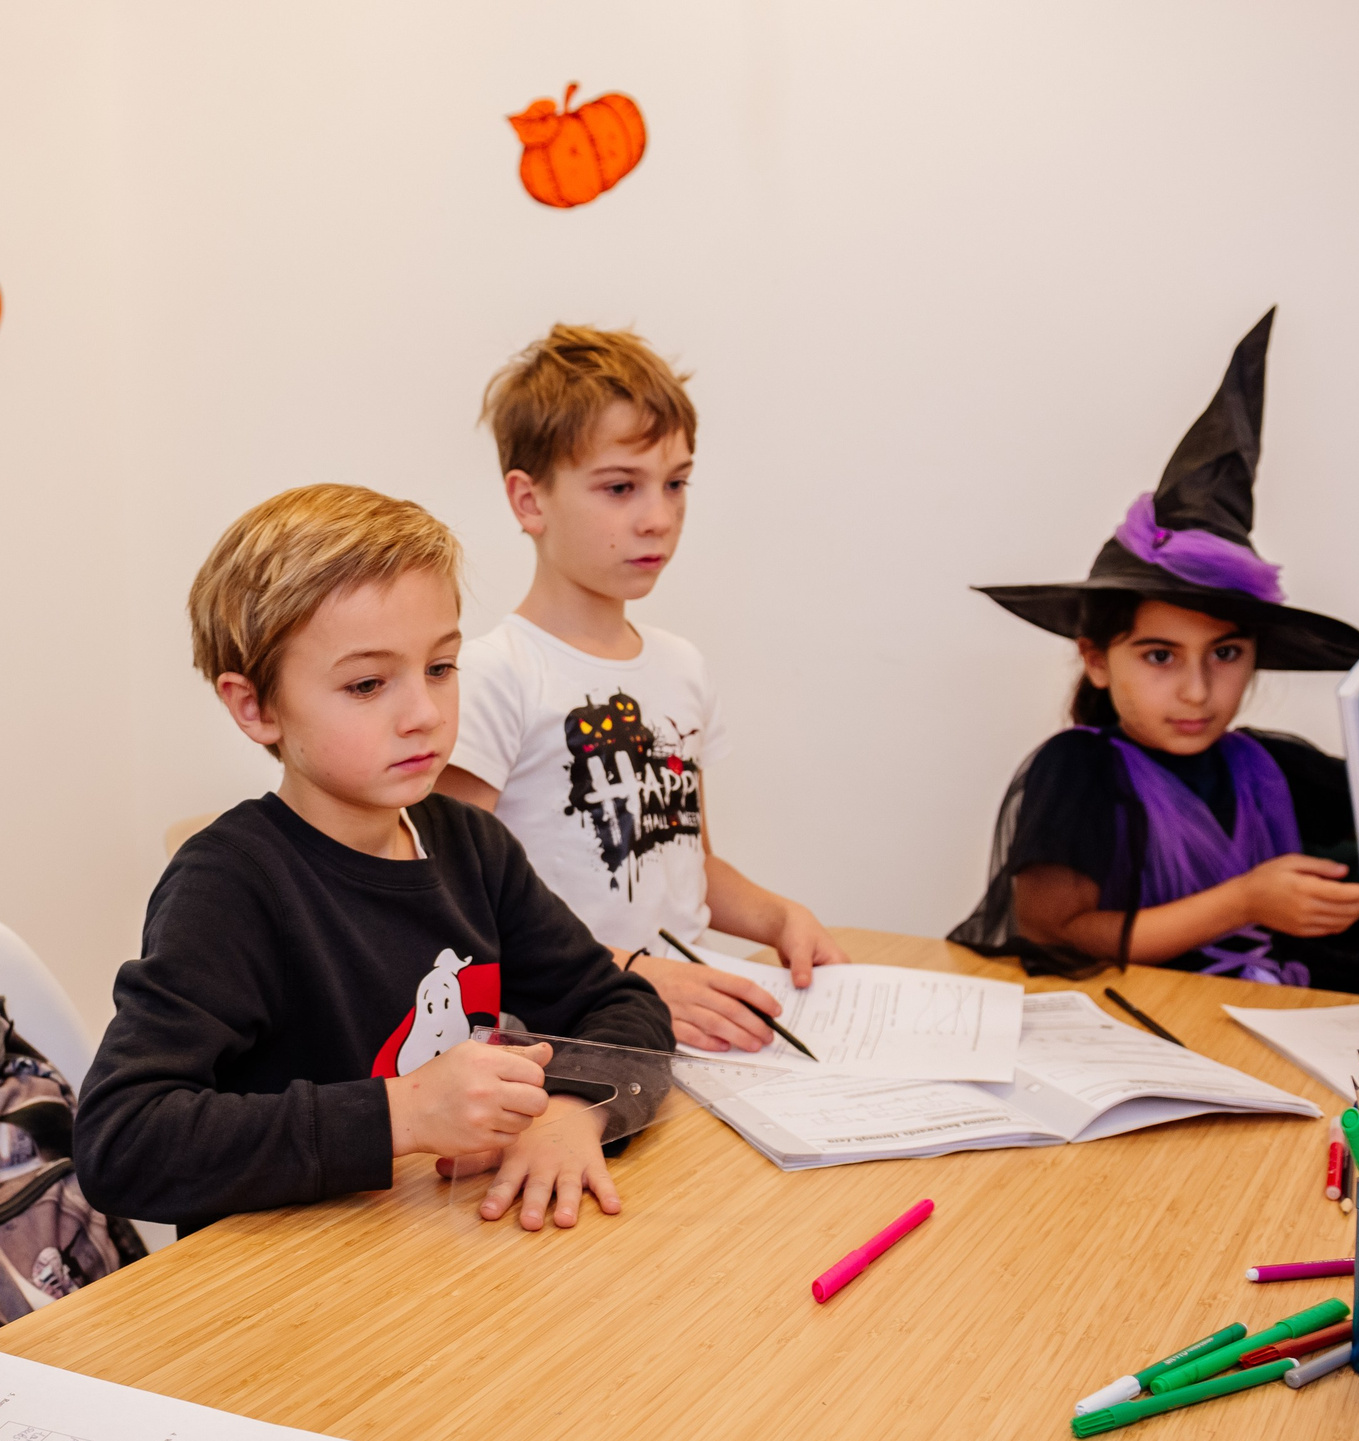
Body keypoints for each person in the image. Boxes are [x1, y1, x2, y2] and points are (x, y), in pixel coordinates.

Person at [74, 484, 673, 1237]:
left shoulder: (469, 845)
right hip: (284, 1278)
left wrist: (573, 1110)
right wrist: (403, 1114)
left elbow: (625, 1007)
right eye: (367, 684)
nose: (423, 713)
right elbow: (123, 1142)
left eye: (441, 667)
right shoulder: (228, 885)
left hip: (430, 1247)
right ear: (255, 706)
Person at [949, 310, 1359, 997]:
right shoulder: (1077, 772)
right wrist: (1243, 902)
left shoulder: (1272, 767)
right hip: (1137, 1019)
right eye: (1160, 656)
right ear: (1098, 660)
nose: (1198, 690)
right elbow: (1057, 932)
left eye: (1225, 653)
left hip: (1267, 1016)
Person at [436, 325, 843, 1052]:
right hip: (563, 1032)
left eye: (676, 483)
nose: (658, 517)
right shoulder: (496, 675)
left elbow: (686, 864)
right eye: (620, 487)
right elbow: (458, 905)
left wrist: (779, 917)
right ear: (529, 501)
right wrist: (628, 974)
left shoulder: (682, 666)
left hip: (684, 1023)